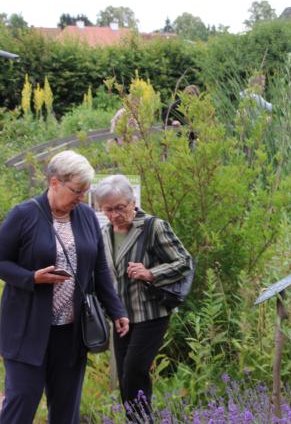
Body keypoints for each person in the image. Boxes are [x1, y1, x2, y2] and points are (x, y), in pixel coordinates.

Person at [0, 150, 129, 424]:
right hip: (27, 332)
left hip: (71, 333)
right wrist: (31, 278)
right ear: (55, 182)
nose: (81, 198)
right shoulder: (24, 214)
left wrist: (117, 310)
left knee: (66, 412)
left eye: (85, 192)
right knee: (21, 405)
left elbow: (99, 268)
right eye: (77, 191)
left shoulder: (86, 217)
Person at [92, 174, 195, 415]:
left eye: (120, 208)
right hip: (121, 317)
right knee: (126, 376)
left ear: (132, 201)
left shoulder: (152, 226)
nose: (115, 215)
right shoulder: (105, 233)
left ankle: (140, 419)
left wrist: (151, 273)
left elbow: (184, 261)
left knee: (135, 370)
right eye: (108, 210)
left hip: (151, 313)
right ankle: (138, 419)